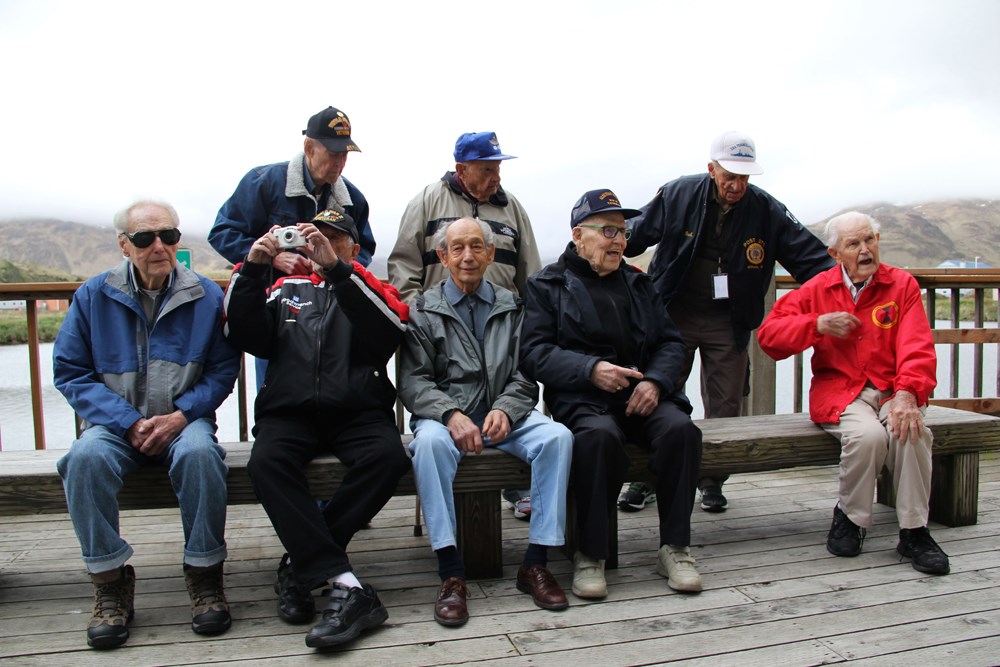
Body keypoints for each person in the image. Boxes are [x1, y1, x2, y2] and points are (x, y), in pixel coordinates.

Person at [54, 200, 241, 649]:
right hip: (115, 425)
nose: (159, 246)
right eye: (144, 238)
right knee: (83, 457)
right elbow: (69, 371)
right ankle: (110, 582)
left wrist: (180, 416)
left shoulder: (207, 295)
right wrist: (128, 422)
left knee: (201, 455)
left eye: (169, 236)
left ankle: (204, 574)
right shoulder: (93, 295)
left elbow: (222, 369)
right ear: (124, 244)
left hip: (184, 421)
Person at [221, 209, 412, 648]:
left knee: (387, 459)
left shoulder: (368, 284)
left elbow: (389, 331)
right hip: (289, 413)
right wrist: (252, 267)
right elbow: (240, 332)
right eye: (312, 236)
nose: (319, 244)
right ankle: (342, 579)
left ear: (354, 247)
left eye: (333, 238)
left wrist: (338, 271)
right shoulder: (282, 286)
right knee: (266, 463)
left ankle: (300, 564)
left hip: (358, 412)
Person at [624, 131, 834, 513]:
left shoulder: (767, 209)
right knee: (661, 395)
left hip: (729, 318)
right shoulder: (677, 194)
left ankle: (711, 480)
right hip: (674, 314)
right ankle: (648, 478)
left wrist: (854, 283)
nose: (736, 185)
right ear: (711, 169)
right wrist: (597, 244)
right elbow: (632, 236)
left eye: (744, 178)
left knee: (726, 403)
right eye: (729, 176)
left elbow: (810, 257)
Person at [520, 189, 704, 599]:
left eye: (623, 231)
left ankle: (675, 548)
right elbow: (533, 354)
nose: (619, 240)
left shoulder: (640, 284)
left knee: (682, 432)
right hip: (585, 399)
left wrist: (655, 382)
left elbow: (672, 343)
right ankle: (590, 555)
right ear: (578, 235)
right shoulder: (546, 285)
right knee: (597, 439)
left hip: (643, 396)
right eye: (608, 230)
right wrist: (590, 369)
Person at [398, 217, 573, 626]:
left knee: (558, 438)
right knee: (427, 444)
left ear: (491, 254)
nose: (467, 256)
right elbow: (413, 381)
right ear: (442, 256)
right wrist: (450, 414)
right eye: (456, 248)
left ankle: (535, 562)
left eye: (477, 247)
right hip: (447, 420)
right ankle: (451, 571)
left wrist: (506, 409)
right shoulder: (423, 311)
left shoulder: (513, 306)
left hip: (503, 417)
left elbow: (526, 373)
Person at [757, 211, 949, 575]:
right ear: (835, 253)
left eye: (870, 240)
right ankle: (851, 518)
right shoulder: (817, 289)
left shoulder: (902, 285)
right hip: (842, 391)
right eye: (854, 243)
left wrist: (908, 395)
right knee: (868, 436)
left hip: (894, 388)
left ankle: (914, 532)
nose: (865, 250)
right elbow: (770, 338)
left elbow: (917, 348)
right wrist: (815, 324)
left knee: (912, 432)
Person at [388, 130, 541, 519]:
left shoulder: (512, 208)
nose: (496, 178)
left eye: (498, 169)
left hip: (502, 325)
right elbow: (404, 266)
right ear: (462, 169)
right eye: (487, 170)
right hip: (440, 329)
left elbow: (529, 268)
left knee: (508, 406)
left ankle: (518, 488)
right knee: (445, 421)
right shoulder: (426, 201)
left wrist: (533, 319)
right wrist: (415, 318)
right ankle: (451, 518)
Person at [210, 106, 377, 389]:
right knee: (275, 391)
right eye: (333, 152)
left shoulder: (353, 200)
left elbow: (364, 249)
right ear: (309, 147)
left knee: (333, 389)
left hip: (332, 315)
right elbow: (223, 232)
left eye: (345, 154)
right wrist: (272, 258)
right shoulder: (263, 183)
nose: (340, 162)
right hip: (274, 313)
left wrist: (334, 268)